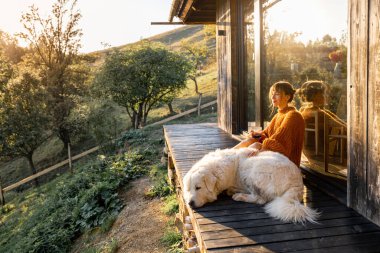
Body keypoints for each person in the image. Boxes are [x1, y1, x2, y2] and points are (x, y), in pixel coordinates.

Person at [234, 81, 305, 167]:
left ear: (287, 97)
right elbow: (267, 134)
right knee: (252, 141)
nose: (273, 97)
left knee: (256, 145)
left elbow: (279, 142)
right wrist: (257, 135)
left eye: (277, 94)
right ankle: (228, 157)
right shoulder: (278, 115)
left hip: (287, 162)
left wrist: (260, 150)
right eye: (272, 94)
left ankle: (235, 164)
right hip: (276, 156)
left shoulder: (293, 115)